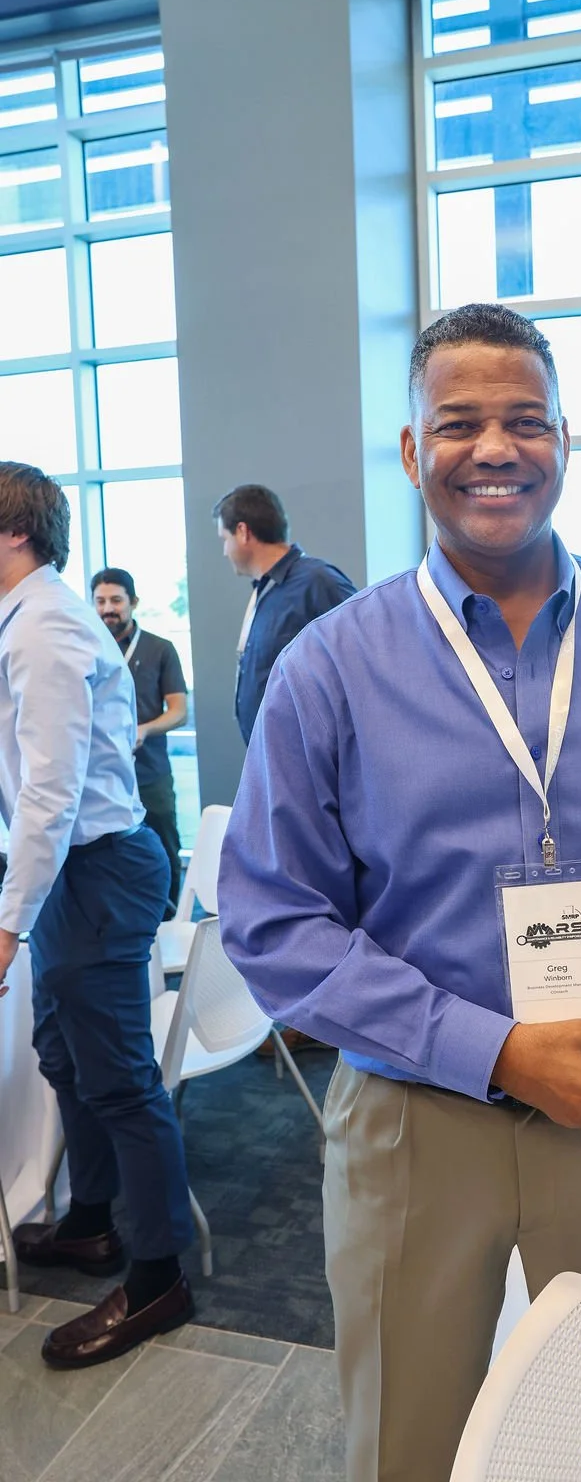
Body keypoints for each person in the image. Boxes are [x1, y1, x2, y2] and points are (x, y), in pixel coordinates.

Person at [218, 303, 581, 1482]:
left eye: (524, 421)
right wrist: (491, 1049)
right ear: (411, 450)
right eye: (461, 422)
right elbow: (272, 922)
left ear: (564, 442)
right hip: (416, 1112)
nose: (495, 448)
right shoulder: (329, 667)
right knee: (407, 1440)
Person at [0, 463, 194, 1368]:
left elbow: (50, 793)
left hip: (97, 869)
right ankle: (89, 1224)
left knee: (120, 1081)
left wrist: (7, 925)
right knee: (63, 1055)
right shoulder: (34, 620)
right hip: (78, 873)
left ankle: (159, 1280)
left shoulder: (42, 630)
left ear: (13, 534)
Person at [213, 483, 356, 745]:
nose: (224, 551)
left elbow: (360, 662)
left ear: (243, 532)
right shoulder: (266, 589)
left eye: (225, 539)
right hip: (276, 756)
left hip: (309, 757)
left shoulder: (318, 582)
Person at [91, 567, 188, 918]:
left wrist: (144, 730)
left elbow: (179, 711)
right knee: (107, 851)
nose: (108, 609)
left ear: (133, 602)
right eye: (100, 601)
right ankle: (124, 920)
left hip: (151, 771)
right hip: (101, 774)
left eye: (116, 600)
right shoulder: (86, 648)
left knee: (164, 844)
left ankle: (171, 920)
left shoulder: (161, 648)